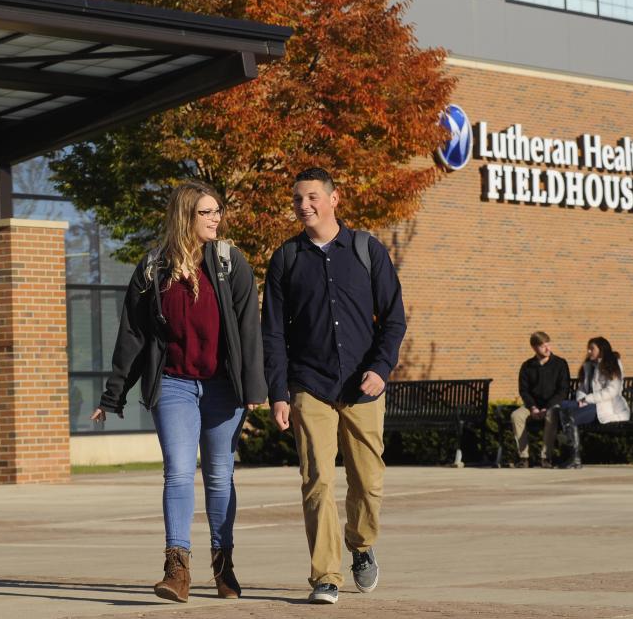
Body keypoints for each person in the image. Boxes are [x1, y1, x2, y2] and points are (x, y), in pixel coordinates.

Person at [91, 181, 266, 602]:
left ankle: (224, 568)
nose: (215, 219)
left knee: (220, 474)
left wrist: (255, 387)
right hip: (173, 385)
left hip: (223, 387)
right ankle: (177, 569)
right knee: (179, 471)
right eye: (206, 212)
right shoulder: (153, 268)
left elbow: (248, 328)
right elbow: (131, 335)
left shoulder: (229, 261)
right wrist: (113, 394)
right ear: (185, 216)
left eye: (217, 211)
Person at [262, 167, 407, 605]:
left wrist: (380, 368)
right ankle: (326, 575)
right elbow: (272, 333)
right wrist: (279, 392)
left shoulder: (366, 250)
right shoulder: (287, 259)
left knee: (368, 481)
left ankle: (360, 545)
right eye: (297, 199)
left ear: (333, 198)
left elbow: (394, 319)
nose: (303, 206)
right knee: (318, 481)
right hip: (310, 386)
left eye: (311, 197)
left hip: (363, 387)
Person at [558, 336, 630, 469]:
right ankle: (570, 456)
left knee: (570, 418)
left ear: (601, 350)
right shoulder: (588, 366)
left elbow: (612, 391)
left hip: (605, 407)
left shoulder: (612, 364)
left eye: (592, 349)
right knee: (562, 407)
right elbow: (582, 388)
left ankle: (574, 458)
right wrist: (582, 399)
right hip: (589, 405)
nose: (589, 352)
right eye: (588, 349)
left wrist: (588, 399)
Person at [510, 331, 570, 468]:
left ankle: (546, 457)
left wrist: (547, 407)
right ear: (534, 347)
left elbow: (563, 390)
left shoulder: (560, 364)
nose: (548, 348)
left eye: (548, 344)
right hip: (532, 406)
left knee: (551, 415)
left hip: (551, 406)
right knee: (516, 416)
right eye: (543, 346)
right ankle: (523, 457)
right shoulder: (527, 366)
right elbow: (524, 390)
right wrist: (532, 407)